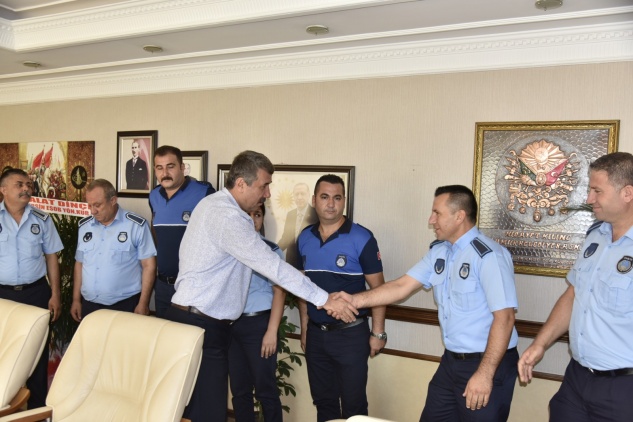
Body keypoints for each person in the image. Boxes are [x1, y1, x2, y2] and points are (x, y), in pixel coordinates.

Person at [164, 150, 358, 422]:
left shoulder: (213, 204)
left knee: (196, 411)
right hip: (201, 324)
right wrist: (324, 299)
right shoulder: (228, 217)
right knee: (208, 414)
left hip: (196, 320)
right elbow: (272, 267)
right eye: (264, 185)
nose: (267, 194)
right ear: (241, 183)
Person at [333, 185, 519, 422]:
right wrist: (354, 300)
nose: (431, 220)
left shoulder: (489, 256)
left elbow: (505, 318)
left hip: (487, 362)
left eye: (437, 213)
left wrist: (484, 374)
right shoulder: (439, 252)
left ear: (459, 216)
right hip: (451, 362)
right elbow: (400, 287)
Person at [518, 151, 633, 422]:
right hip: (577, 379)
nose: (589, 199)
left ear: (627, 193)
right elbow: (573, 294)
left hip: (623, 388)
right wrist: (540, 344)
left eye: (597, 191)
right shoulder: (595, 236)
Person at [297, 174, 386, 421]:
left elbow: (379, 289)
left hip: (351, 336)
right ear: (314, 200)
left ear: (344, 201)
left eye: (337, 198)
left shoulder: (362, 238)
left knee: (353, 406)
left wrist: (378, 333)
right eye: (324, 197)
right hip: (316, 335)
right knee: (323, 402)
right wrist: (305, 329)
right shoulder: (304, 238)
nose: (331, 204)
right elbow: (302, 288)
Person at [0, 168, 63, 408]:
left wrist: (55, 294)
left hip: (36, 293)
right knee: (3, 351)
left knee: (37, 353)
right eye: (19, 184)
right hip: (2, 295)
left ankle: (36, 411)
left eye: (28, 184)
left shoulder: (42, 219)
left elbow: (52, 257)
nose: (27, 188)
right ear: (4, 189)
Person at [229, 203, 285, 422]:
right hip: (231, 325)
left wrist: (271, 331)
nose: (252, 220)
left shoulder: (270, 250)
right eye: (247, 214)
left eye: (258, 215)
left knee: (265, 390)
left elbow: (279, 292)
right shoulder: (228, 249)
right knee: (239, 390)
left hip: (259, 325)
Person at [71, 179, 156, 321]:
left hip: (124, 305)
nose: (93, 211)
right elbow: (80, 264)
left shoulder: (136, 226)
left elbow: (149, 266)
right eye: (89, 205)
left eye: (97, 205)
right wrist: (76, 300)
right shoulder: (85, 226)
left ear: (113, 200)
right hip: (89, 304)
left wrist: (143, 303)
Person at [149, 145, 215, 318]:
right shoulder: (154, 196)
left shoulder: (204, 192)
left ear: (182, 167)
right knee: (162, 332)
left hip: (193, 286)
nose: (165, 173)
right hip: (163, 285)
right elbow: (155, 232)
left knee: (189, 333)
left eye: (170, 166)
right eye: (159, 168)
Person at [277, 182, 318, 268]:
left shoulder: (316, 214)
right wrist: (273, 251)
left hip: (309, 263)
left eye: (302, 194)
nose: (299, 197)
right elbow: (286, 239)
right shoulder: (290, 214)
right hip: (291, 263)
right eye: (296, 194)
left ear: (308, 195)